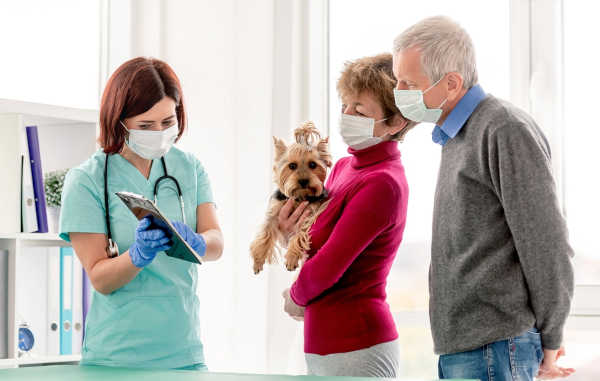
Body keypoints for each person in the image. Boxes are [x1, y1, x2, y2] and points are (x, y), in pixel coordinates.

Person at [391, 16, 575, 380]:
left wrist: (551, 336)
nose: (398, 92)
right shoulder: (457, 135)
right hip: (469, 349)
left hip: (495, 347)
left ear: (452, 83)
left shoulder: (503, 128)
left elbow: (545, 242)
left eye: (408, 83)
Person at [59, 57, 223, 370]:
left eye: (167, 122)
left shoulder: (189, 168)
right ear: (118, 121)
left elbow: (216, 241)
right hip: (115, 359)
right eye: (145, 126)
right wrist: (137, 255)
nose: (159, 133)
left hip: (184, 354)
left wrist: (198, 242)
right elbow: (100, 278)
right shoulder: (88, 180)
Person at [281, 53, 414, 377]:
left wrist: (296, 296)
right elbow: (313, 246)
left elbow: (328, 266)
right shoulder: (342, 167)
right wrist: (290, 237)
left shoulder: (383, 182)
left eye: (360, 109)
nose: (347, 114)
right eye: (345, 105)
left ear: (396, 122)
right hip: (326, 344)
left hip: (359, 346)